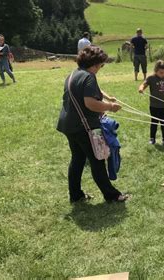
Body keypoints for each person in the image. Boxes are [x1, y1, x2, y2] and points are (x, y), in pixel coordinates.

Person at [57, 46, 130, 203]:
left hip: (68, 125)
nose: (101, 68)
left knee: (77, 159)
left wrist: (106, 96)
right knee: (97, 160)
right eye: (101, 65)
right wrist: (110, 107)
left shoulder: (74, 74)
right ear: (95, 64)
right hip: (83, 127)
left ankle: (75, 195)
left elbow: (89, 90)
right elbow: (90, 102)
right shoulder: (89, 77)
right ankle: (112, 195)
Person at [138, 60, 164, 145]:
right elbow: (143, 84)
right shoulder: (151, 78)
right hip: (155, 105)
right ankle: (152, 138)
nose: (163, 74)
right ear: (156, 70)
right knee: (154, 121)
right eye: (161, 72)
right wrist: (141, 88)